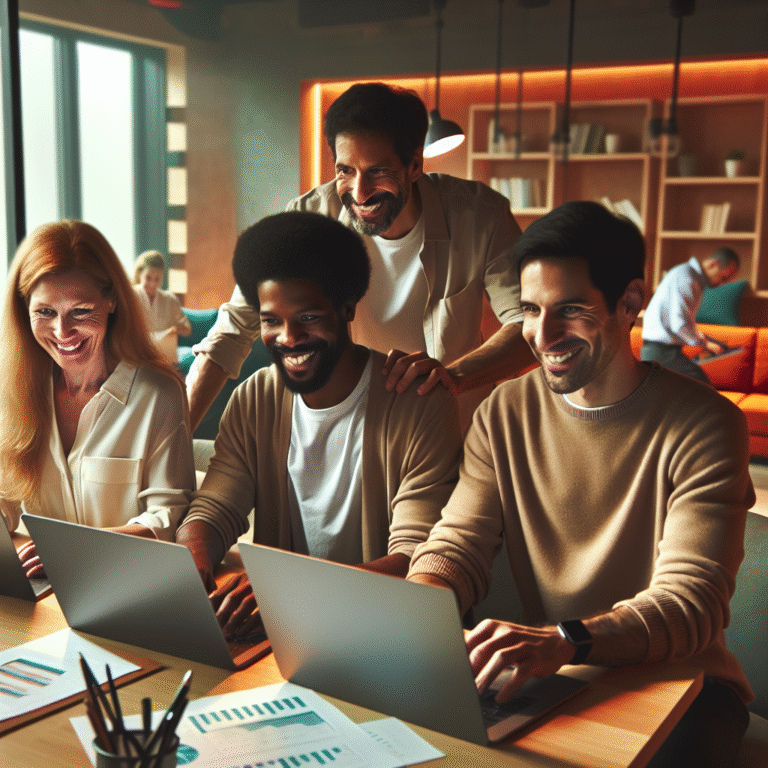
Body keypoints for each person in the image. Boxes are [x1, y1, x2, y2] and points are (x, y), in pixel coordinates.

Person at [407, 201, 755, 767]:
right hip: (556, 673)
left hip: (685, 689)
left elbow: (692, 603)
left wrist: (568, 640)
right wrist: (417, 602)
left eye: (569, 310)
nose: (542, 335)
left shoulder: (708, 424)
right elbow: (457, 544)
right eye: (529, 310)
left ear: (630, 302)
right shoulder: (503, 412)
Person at [186, 82, 535, 433]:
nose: (359, 192)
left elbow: (529, 325)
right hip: (348, 434)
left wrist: (454, 376)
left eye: (377, 172)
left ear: (414, 165)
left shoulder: (480, 215)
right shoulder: (308, 219)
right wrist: (173, 437)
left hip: (451, 430)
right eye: (345, 171)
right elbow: (229, 334)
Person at [176, 211, 462, 634]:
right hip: (286, 634)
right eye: (272, 321)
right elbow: (213, 510)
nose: (288, 338)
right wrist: (194, 565)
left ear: (346, 308)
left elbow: (416, 561)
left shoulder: (417, 402)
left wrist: (292, 592)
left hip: (387, 634)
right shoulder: (256, 398)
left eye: (307, 318)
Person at [0, 221, 196, 577]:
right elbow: (5, 498)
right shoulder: (11, 391)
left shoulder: (159, 394)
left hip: (127, 589)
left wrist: (74, 550)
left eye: (80, 310)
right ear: (24, 310)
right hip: (44, 597)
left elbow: (167, 519)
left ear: (112, 301)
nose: (63, 333)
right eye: (45, 312)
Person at [641, 247, 740, 384]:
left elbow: (681, 320)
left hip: (661, 350)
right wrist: (704, 343)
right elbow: (679, 323)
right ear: (713, 264)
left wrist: (704, 338)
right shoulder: (686, 278)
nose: (722, 284)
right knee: (704, 388)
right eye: (723, 278)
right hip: (660, 352)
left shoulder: (690, 276)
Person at [133, 249, 191, 366]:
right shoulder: (130, 296)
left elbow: (187, 329)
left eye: (157, 279)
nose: (152, 284)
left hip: (166, 359)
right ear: (140, 274)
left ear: (162, 277)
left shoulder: (169, 299)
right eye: (148, 278)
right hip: (139, 356)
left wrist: (179, 328)